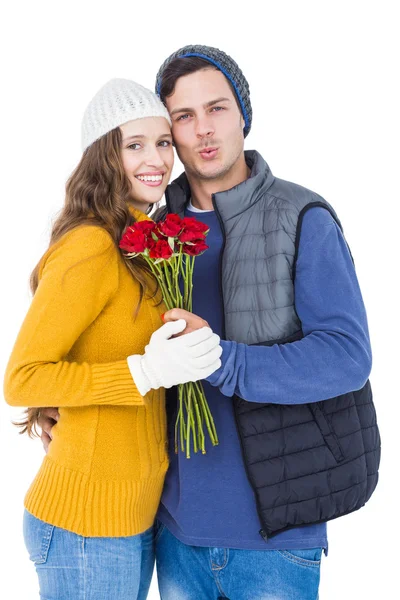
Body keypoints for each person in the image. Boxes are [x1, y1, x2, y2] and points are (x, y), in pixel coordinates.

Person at [35, 45, 381, 600]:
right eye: (183, 117)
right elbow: (93, 334)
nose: (203, 130)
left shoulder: (301, 217)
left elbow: (346, 356)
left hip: (276, 540)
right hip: (174, 533)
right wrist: (61, 409)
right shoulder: (144, 227)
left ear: (244, 113)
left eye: (217, 109)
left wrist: (222, 358)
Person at [3, 77, 222, 600]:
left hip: (133, 519)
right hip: (86, 525)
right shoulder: (91, 246)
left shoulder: (141, 245)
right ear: (105, 155)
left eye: (164, 142)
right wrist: (144, 373)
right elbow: (23, 377)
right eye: (135, 145)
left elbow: (84, 355)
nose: (156, 159)